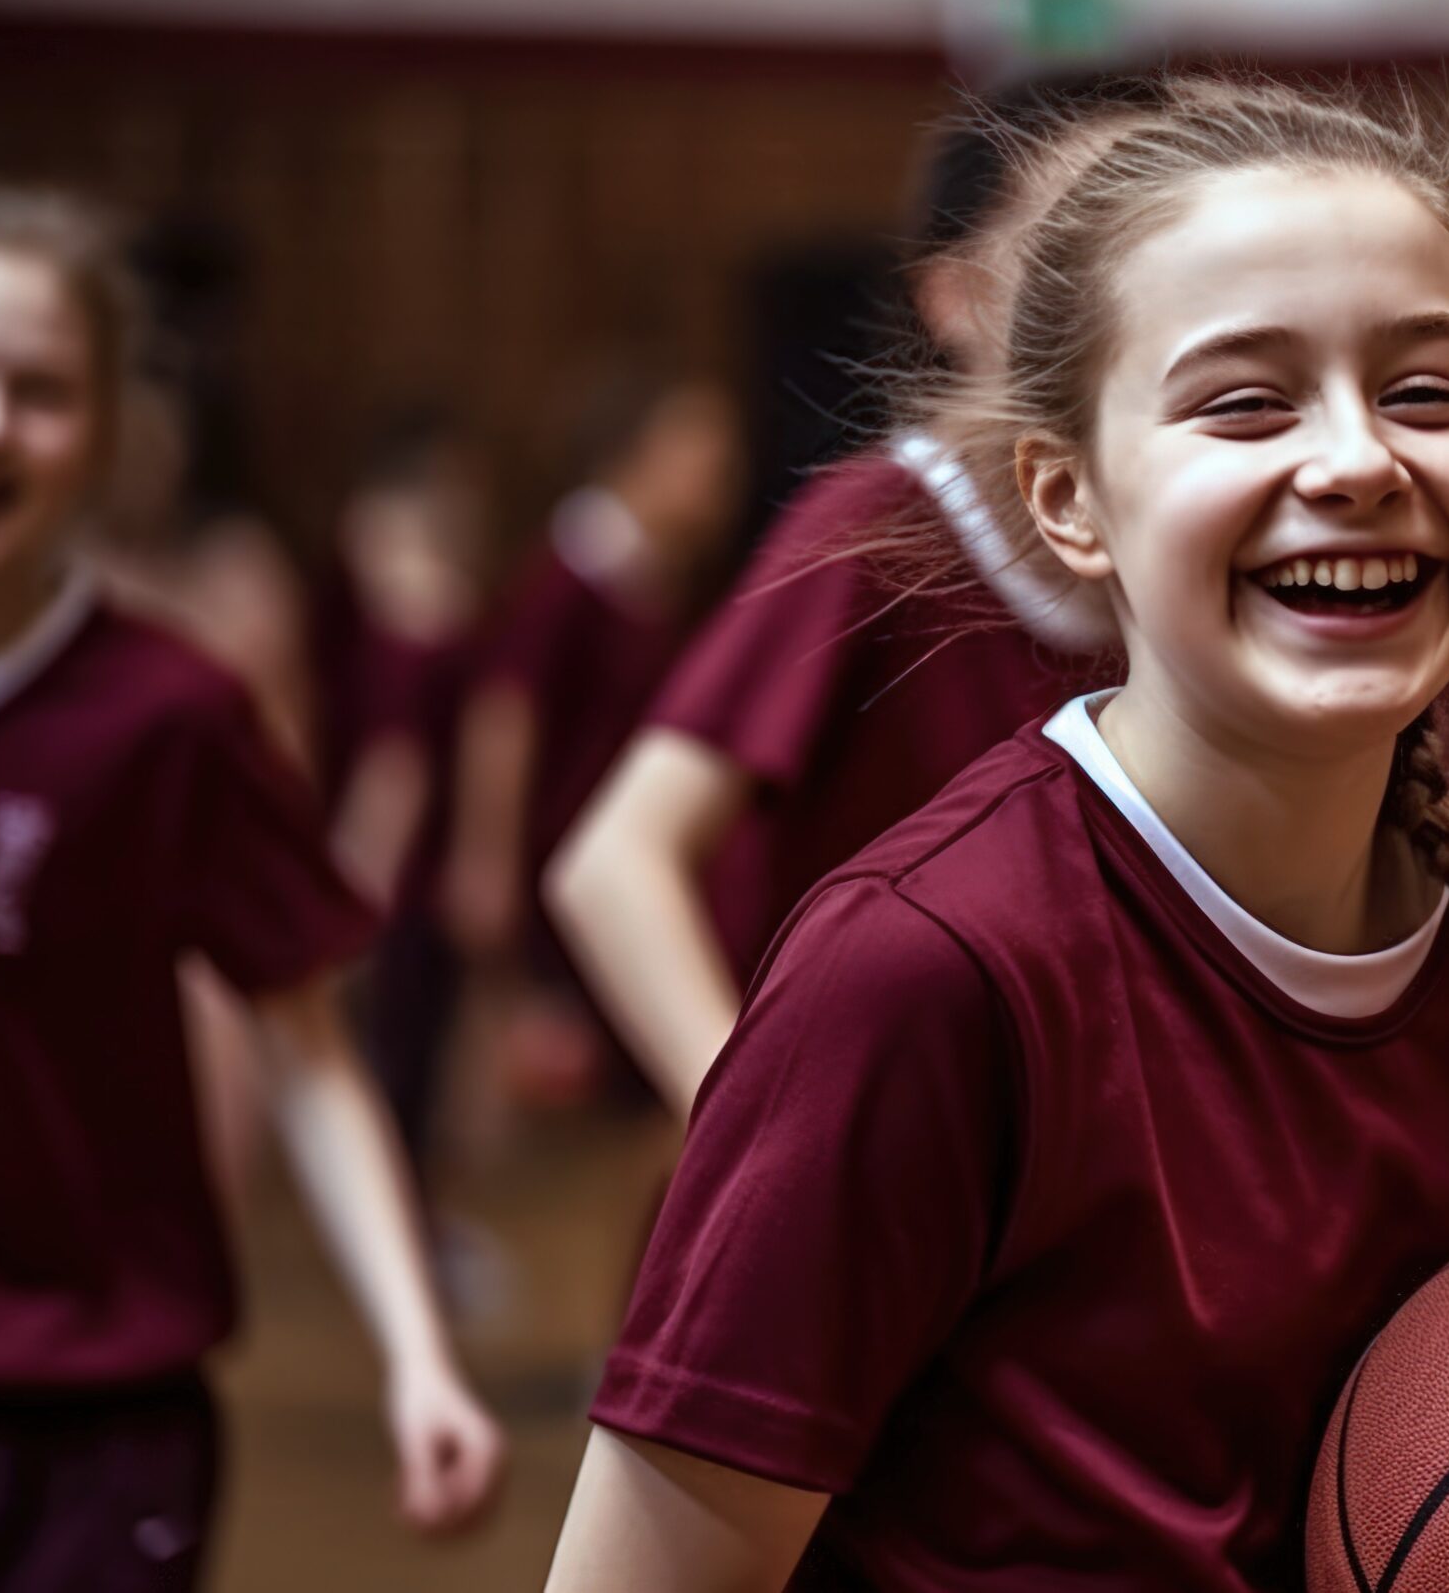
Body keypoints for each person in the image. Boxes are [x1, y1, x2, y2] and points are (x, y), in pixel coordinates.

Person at [539, 71, 1449, 1590]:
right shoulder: (916, 976)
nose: (1357, 459)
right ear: (1067, 500)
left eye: (1428, 391)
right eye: (1246, 399)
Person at [0, 190, 503, 1589]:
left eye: (39, 391)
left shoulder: (171, 713)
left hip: (101, 1411)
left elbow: (313, 1056)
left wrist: (415, 1354)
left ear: (103, 434)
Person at [543, 79, 1139, 1115]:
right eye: (1089, 241)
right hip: (882, 1161)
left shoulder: (1185, 545)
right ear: (957, 299)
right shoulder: (872, 524)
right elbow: (611, 864)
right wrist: (759, 1131)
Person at [437, 365, 744, 1104]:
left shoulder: (654, 577)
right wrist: (486, 857)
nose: (719, 472)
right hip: (565, 868)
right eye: (699, 449)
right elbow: (504, 716)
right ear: (635, 452)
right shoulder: (565, 580)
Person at [310, 405, 487, 1185]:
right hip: (430, 878)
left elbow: (396, 773)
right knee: (411, 1066)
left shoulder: (408, 628)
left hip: (402, 885)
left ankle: (408, 1218)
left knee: (395, 1070)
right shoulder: (450, 612)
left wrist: (353, 883)